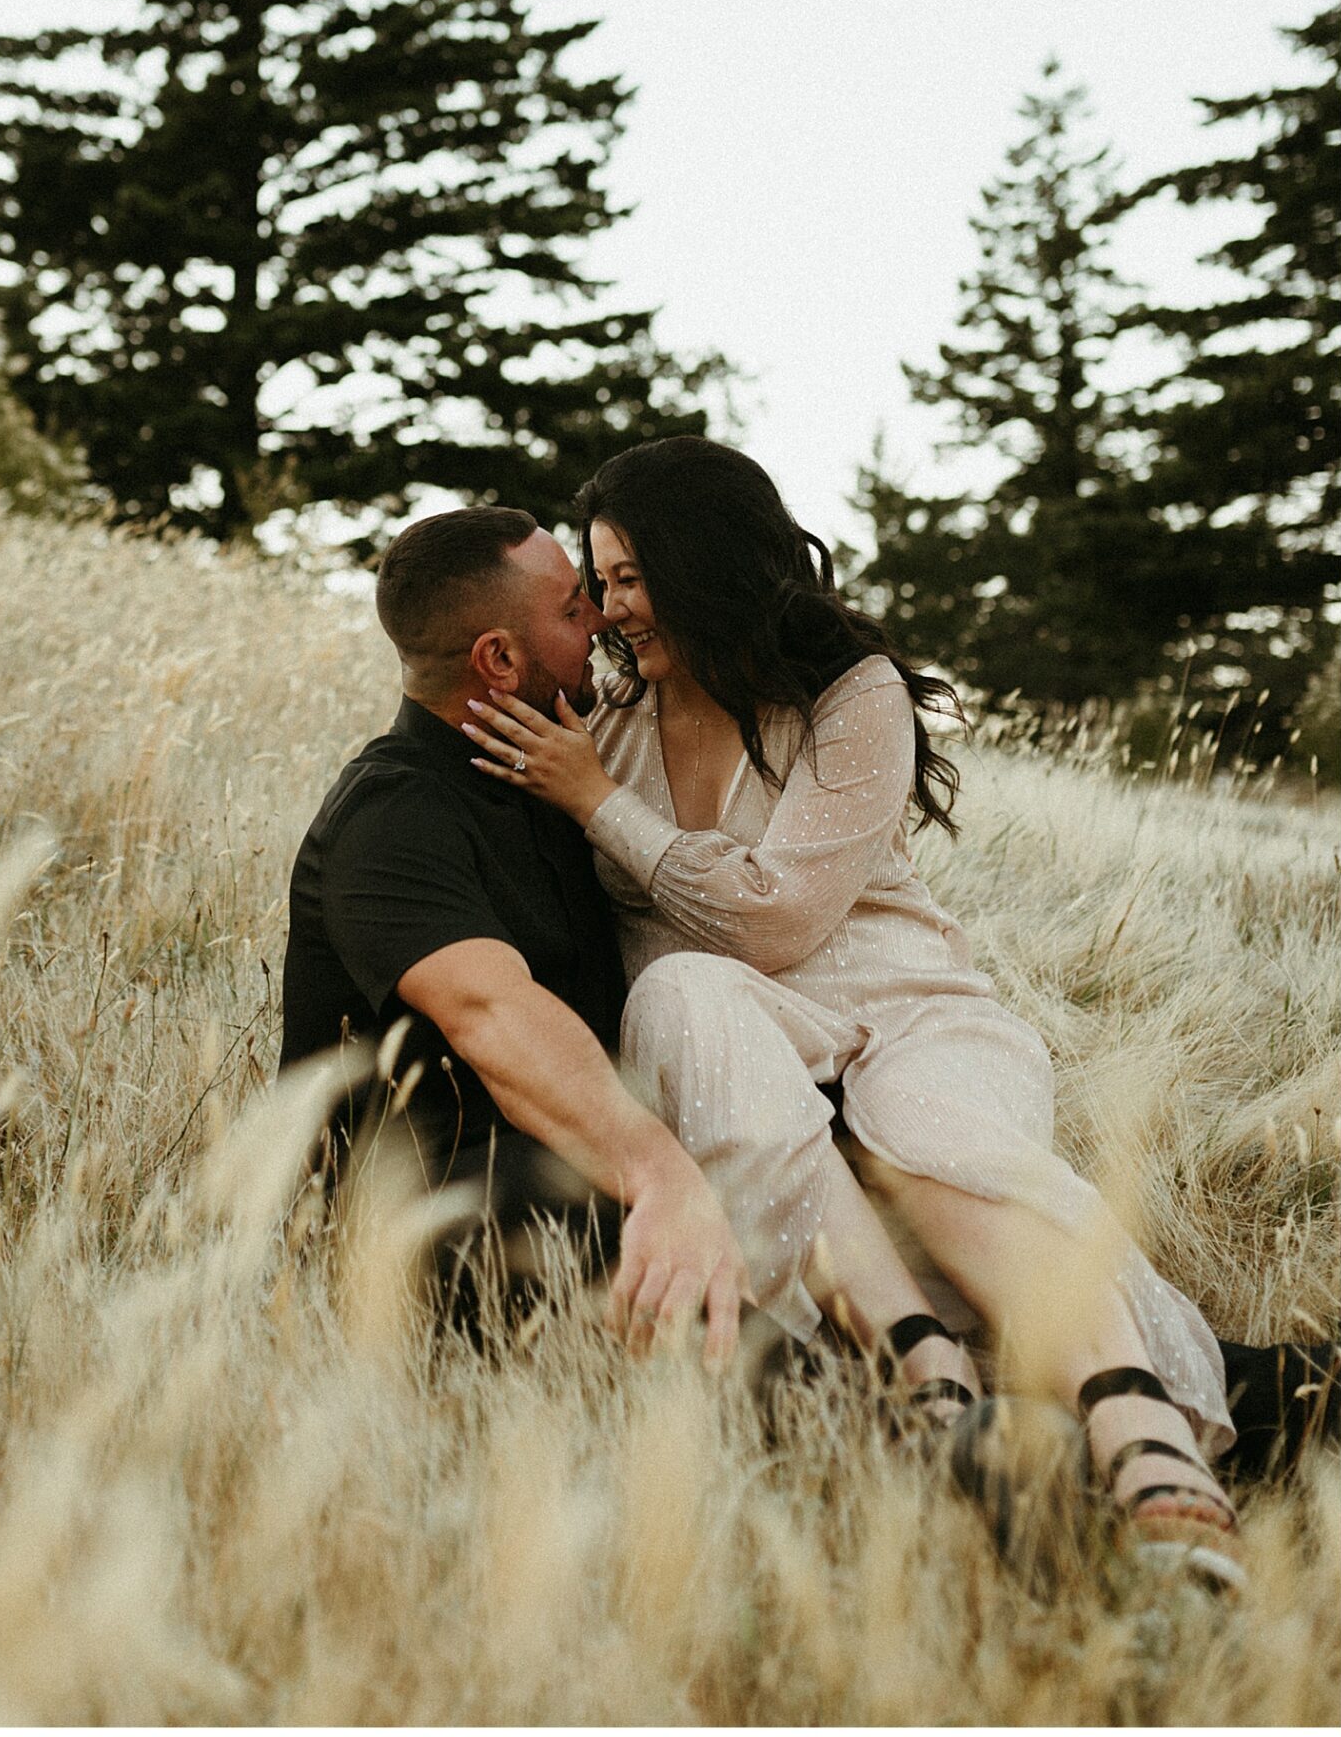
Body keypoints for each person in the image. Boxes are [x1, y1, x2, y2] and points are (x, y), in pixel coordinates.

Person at [462, 436, 1248, 1589]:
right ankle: (931, 1379)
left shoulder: (849, 693)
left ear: (707, 560)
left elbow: (783, 917)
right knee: (681, 988)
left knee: (928, 1133)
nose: (615, 608)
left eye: (630, 576)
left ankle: (1140, 1421)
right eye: (602, 581)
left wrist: (598, 806)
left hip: (904, 1000)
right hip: (725, 1023)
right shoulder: (610, 712)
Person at [279, 504, 752, 1371]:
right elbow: (492, 1016)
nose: (601, 621)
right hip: (419, 1213)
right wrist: (659, 1174)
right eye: (573, 609)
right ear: (498, 658)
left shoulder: (551, 776)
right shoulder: (392, 815)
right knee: (724, 1293)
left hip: (557, 1167)